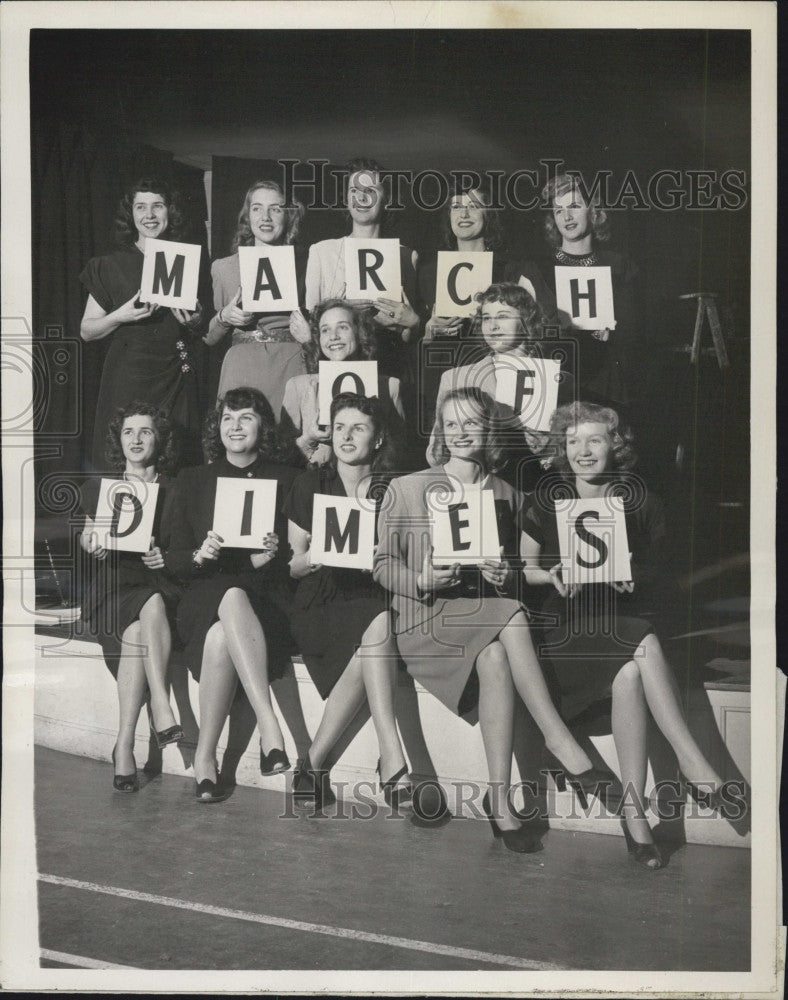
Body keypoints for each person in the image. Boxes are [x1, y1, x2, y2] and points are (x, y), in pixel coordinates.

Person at [371, 387, 614, 853]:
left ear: (489, 431)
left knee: (499, 655)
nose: (462, 433)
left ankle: (500, 801)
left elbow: (518, 574)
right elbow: (381, 565)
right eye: (452, 424)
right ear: (440, 431)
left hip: (488, 620)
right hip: (426, 620)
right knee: (508, 618)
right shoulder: (407, 487)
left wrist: (508, 574)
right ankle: (559, 742)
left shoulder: (508, 493)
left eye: (472, 424)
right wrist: (421, 579)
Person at [521, 401, 725, 868]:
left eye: (594, 439)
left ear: (616, 444)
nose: (583, 450)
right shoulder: (545, 497)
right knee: (643, 641)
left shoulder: (641, 498)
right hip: (565, 628)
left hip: (619, 619)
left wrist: (636, 577)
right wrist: (550, 574)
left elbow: (666, 569)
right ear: (561, 448)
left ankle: (634, 822)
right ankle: (691, 760)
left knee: (631, 674)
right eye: (572, 441)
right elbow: (525, 570)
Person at [162, 387, 301, 802]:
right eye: (227, 418)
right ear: (216, 428)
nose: (235, 426)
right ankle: (269, 726)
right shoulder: (193, 479)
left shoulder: (287, 478)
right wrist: (198, 556)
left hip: (265, 600)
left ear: (263, 427)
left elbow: (297, 557)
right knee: (230, 594)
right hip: (204, 593)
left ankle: (204, 758)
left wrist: (271, 558)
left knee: (224, 633)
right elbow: (173, 561)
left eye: (246, 418)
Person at [284, 392, 400, 807]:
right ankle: (391, 756)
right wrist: (315, 557)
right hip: (321, 597)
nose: (347, 436)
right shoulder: (310, 483)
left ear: (379, 439)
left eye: (359, 427)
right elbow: (292, 565)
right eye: (339, 427)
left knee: (382, 622)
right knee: (380, 628)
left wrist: (382, 559)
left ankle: (313, 761)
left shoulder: (394, 488)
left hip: (374, 592)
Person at [79, 401, 185, 791]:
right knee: (148, 607)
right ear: (118, 441)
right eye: (128, 432)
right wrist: (91, 543)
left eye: (145, 432)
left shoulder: (177, 489)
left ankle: (123, 745)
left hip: (160, 582)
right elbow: (88, 534)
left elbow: (185, 548)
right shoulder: (100, 489)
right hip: (114, 585)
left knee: (142, 629)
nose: (136, 439)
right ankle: (161, 702)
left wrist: (166, 557)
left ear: (159, 440)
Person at [80, 178, 204, 470]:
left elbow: (202, 326)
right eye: (141, 207)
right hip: (129, 373)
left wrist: (196, 320)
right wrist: (119, 316)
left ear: (169, 212)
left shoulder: (187, 260)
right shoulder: (109, 265)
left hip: (174, 371)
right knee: (126, 453)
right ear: (131, 215)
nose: (149, 215)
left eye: (157, 206)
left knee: (175, 452)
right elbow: (87, 330)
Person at [427, 283, 572, 492]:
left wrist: (548, 448)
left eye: (502, 317)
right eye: (486, 318)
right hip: (478, 492)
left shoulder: (560, 380)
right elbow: (434, 455)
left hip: (537, 493)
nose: (492, 326)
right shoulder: (455, 378)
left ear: (526, 322)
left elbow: (575, 453)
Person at [305, 157, 423, 381]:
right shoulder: (322, 252)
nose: (361, 197)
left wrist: (413, 324)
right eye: (354, 190)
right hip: (336, 366)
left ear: (386, 198)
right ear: (346, 198)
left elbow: (408, 334)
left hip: (388, 365)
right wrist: (344, 312)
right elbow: (311, 326)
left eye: (370, 190)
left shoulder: (407, 255)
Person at [205, 180, 311, 417]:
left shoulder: (307, 265)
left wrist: (308, 331)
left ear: (289, 217)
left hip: (291, 362)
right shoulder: (223, 268)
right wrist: (224, 317)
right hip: (242, 365)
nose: (265, 217)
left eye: (275, 209)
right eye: (257, 208)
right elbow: (210, 338)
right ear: (247, 216)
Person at [539, 172, 640, 411]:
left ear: (593, 211)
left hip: (605, 384)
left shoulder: (620, 266)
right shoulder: (537, 269)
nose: (566, 216)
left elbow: (636, 332)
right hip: (554, 383)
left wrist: (613, 330)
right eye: (558, 210)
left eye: (574, 206)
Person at [280, 299, 406, 467]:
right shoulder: (298, 387)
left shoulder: (390, 387)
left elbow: (399, 453)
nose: (333, 336)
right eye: (325, 330)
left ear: (359, 333)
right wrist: (309, 437)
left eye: (343, 327)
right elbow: (282, 459)